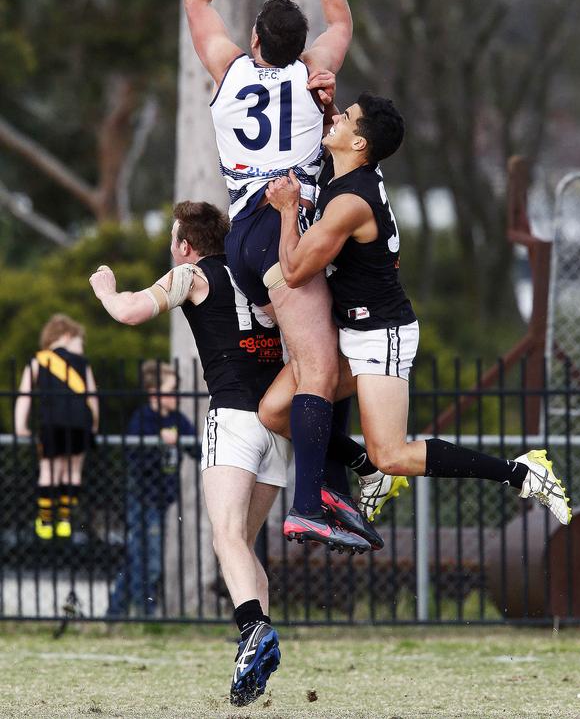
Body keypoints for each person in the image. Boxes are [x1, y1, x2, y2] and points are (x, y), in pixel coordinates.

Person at [88, 201, 385, 706]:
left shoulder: (193, 274)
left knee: (225, 538)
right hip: (279, 424)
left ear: (185, 245)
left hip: (234, 420)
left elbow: (130, 312)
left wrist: (105, 289)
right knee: (241, 547)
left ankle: (254, 630)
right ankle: (253, 651)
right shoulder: (254, 271)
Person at [264, 93, 572, 526]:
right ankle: (368, 470)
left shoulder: (351, 202)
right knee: (275, 412)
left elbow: (294, 271)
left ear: (359, 144)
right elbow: (340, 130)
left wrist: (287, 210)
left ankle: (522, 473)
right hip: (351, 330)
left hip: (380, 335)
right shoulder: (353, 171)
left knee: (392, 454)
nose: (336, 119)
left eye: (346, 118)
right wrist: (322, 94)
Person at [183, 0, 364, 548]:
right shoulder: (314, 73)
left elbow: (197, 1)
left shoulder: (229, 72)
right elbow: (341, 24)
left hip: (249, 233)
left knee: (331, 359)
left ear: (256, 37)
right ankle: (311, 500)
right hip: (281, 231)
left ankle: (334, 485)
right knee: (318, 369)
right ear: (299, 43)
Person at [106, 360, 195, 618]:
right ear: (155, 393)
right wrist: (159, 444)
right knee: (149, 559)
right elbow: (136, 458)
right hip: (143, 498)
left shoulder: (178, 420)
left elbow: (197, 449)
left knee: (138, 556)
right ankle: (145, 610)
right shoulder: (142, 419)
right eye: (171, 390)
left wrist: (181, 442)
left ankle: (115, 612)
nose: (176, 396)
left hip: (162, 499)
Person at [14, 314, 99, 540]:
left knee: (49, 471)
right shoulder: (82, 363)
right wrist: (94, 425)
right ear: (68, 335)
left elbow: (24, 396)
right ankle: (64, 519)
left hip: (52, 423)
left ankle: (44, 520)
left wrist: (20, 425)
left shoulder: (38, 360)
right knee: (72, 472)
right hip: (80, 424)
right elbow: (92, 397)